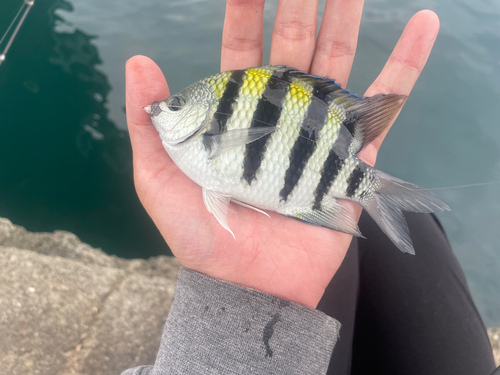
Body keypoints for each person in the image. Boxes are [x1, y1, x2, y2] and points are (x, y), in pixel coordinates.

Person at [122, 1, 497, 374]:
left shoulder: (195, 140)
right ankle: (369, 192)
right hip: (298, 191)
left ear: (201, 116)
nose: (159, 108)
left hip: (296, 190)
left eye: (174, 105)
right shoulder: (200, 135)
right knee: (421, 225)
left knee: (413, 225)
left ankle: (367, 190)